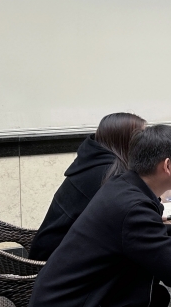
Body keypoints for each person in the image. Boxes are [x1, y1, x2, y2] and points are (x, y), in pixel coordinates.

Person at [29, 125, 171, 307]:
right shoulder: (135, 209)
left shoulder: (121, 184)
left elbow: (133, 234)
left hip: (67, 295)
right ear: (167, 166)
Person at [28, 112, 146, 261]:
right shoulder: (106, 173)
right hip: (55, 261)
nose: (146, 142)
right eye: (142, 136)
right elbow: (128, 220)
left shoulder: (93, 161)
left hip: (52, 249)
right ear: (126, 140)